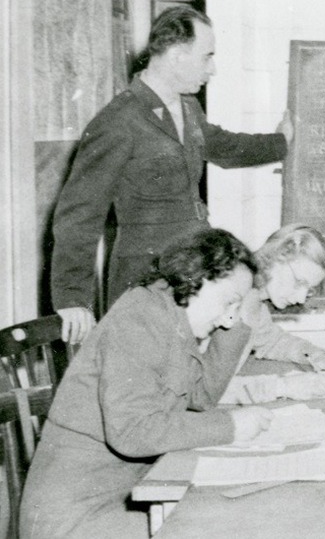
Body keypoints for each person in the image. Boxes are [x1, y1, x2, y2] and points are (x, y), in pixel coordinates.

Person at [50, 5, 293, 345]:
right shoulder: (118, 121)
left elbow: (223, 145)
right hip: (147, 277)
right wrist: (72, 297)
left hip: (195, 267)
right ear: (178, 55)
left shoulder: (187, 107)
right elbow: (79, 214)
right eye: (207, 56)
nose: (214, 68)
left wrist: (280, 142)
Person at [20, 228, 275, 538]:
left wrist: (242, 319)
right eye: (228, 303)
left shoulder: (170, 316)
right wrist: (230, 427)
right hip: (75, 518)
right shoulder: (140, 319)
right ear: (197, 277)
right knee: (225, 526)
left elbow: (202, 395)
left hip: (125, 495)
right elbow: (132, 431)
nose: (228, 320)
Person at [214, 224, 325, 404]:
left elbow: (273, 341)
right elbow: (201, 390)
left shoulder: (255, 302)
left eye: (309, 290)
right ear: (276, 256)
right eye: (299, 282)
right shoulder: (229, 302)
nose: (302, 298)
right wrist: (282, 387)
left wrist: (315, 355)